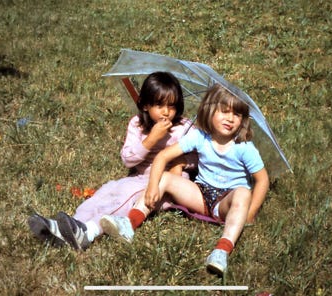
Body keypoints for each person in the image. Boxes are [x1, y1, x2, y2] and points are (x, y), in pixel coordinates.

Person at [100, 83, 270, 276]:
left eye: (237, 115)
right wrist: (153, 186)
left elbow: (262, 180)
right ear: (209, 110)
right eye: (224, 111)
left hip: (226, 202)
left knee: (243, 193)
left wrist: (251, 212)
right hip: (200, 194)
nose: (230, 118)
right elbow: (163, 156)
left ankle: (221, 251)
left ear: (243, 120)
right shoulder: (200, 136)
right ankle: (129, 222)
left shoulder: (244, 147)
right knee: (164, 177)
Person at [27, 71, 196, 251]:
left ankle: (90, 230)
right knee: (108, 190)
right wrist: (150, 140)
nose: (166, 112)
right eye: (159, 105)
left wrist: (179, 163)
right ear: (146, 105)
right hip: (140, 176)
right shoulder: (137, 124)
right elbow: (128, 160)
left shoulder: (184, 128)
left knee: (126, 197)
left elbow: (199, 157)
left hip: (164, 185)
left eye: (172, 106)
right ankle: (72, 224)